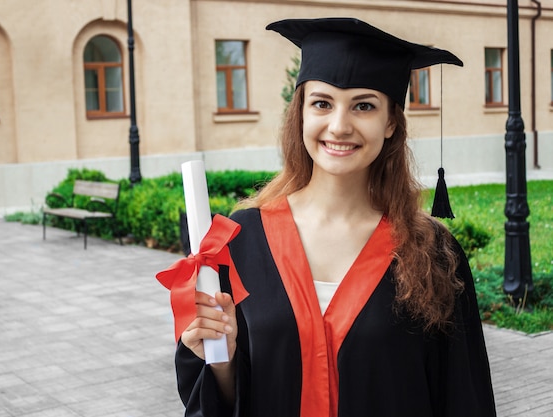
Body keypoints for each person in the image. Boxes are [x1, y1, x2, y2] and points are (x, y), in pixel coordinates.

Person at [173, 17, 497, 417]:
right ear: (302, 114)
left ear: (391, 122)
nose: (339, 126)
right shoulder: (241, 242)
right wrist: (221, 360)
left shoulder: (432, 252)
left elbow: (463, 395)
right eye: (322, 103)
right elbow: (220, 398)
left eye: (364, 106)